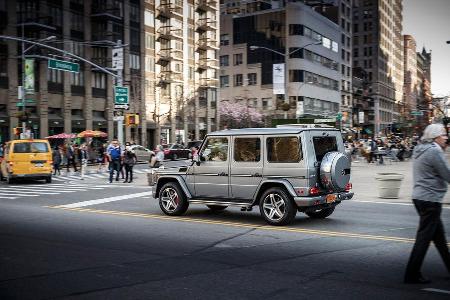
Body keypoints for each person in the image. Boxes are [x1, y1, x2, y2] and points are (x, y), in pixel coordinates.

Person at [404, 123, 450, 284]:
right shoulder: (434, 151)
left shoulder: (419, 149)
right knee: (424, 239)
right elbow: (447, 174)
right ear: (435, 137)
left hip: (420, 197)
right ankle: (411, 274)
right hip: (430, 199)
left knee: (439, 237)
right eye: (443, 134)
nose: (446, 137)